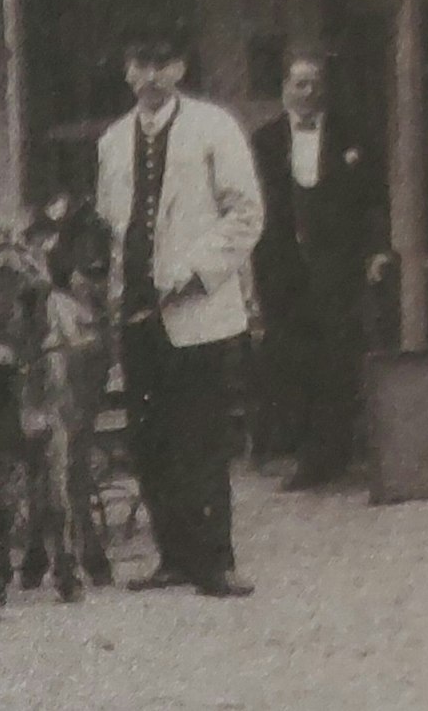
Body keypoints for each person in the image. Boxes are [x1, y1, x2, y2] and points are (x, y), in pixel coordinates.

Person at [94, 29, 263, 599]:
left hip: (198, 308)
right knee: (151, 437)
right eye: (140, 63)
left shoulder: (214, 128)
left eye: (162, 63)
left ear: (181, 68)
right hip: (137, 312)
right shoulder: (113, 142)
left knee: (201, 436)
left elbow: (246, 214)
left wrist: (193, 271)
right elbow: (112, 226)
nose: (150, 76)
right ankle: (173, 555)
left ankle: (216, 559)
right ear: (126, 69)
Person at [249, 54, 384, 490]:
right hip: (282, 267)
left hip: (336, 265)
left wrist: (376, 251)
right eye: (300, 84)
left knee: (336, 357)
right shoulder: (264, 141)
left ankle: (334, 454)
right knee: (292, 358)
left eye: (315, 83)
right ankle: (305, 456)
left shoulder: (351, 134)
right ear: (284, 89)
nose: (309, 92)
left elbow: (373, 200)